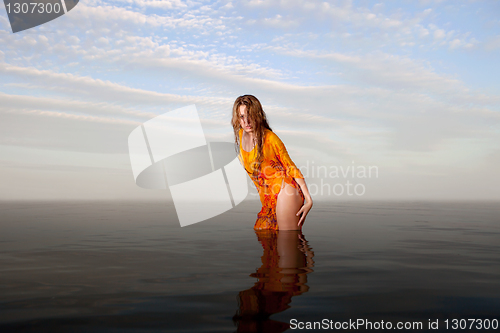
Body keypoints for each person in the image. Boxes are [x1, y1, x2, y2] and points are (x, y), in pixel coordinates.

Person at [231, 95, 313, 230]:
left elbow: (290, 166)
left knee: (286, 246)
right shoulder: (241, 134)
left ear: (258, 115)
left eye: (250, 115)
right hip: (268, 199)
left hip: (285, 192)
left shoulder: (270, 138)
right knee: (270, 245)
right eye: (242, 117)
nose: (247, 121)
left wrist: (308, 199)